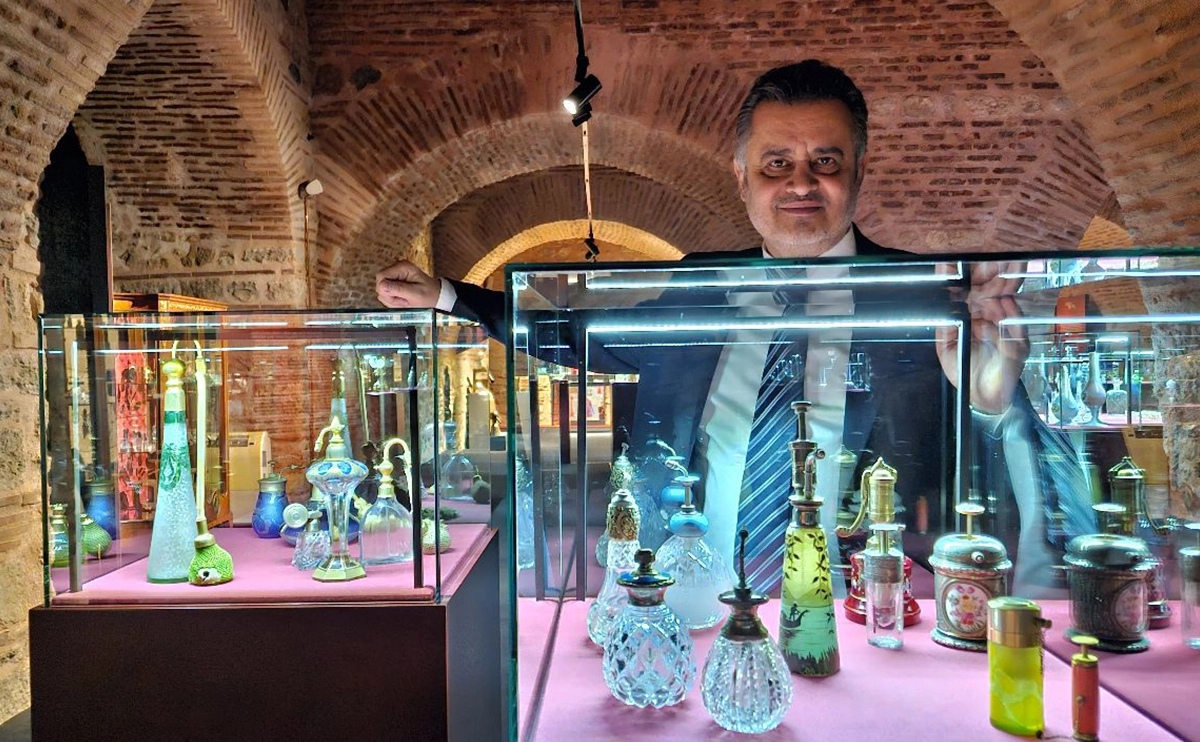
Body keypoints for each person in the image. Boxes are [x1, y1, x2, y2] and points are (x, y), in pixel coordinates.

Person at [377, 60, 1091, 593]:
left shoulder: (926, 296)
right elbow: (578, 333)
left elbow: (1005, 483)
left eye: (825, 161)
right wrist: (449, 296)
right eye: (777, 163)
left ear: (858, 171)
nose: (801, 182)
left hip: (869, 610)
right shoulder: (702, 285)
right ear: (742, 175)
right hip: (696, 595)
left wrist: (994, 406)